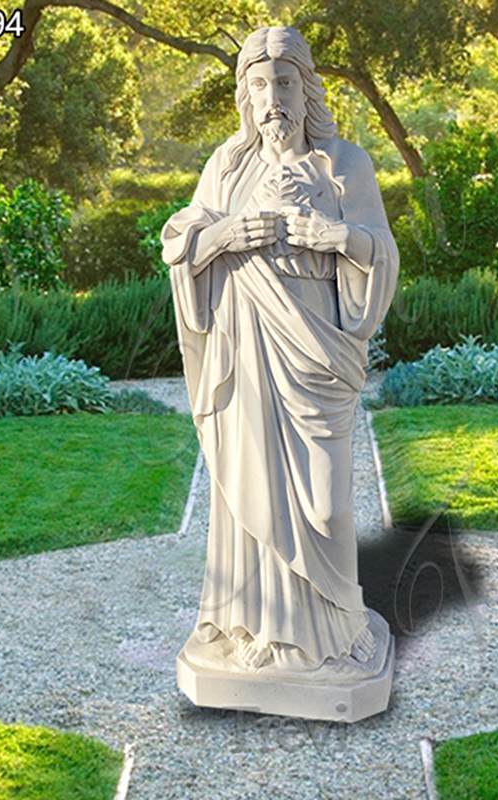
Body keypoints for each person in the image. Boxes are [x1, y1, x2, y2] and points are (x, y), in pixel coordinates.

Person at [161, 25, 399, 674]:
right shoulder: (227, 166)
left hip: (318, 353)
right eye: (261, 85)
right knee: (252, 491)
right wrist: (227, 234)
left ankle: (338, 624)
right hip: (246, 347)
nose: (273, 99)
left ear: (306, 89)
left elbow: (381, 250)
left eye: (285, 83)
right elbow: (182, 243)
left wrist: (337, 237)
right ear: (246, 96)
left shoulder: (344, 164)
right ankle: (259, 629)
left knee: (326, 504)